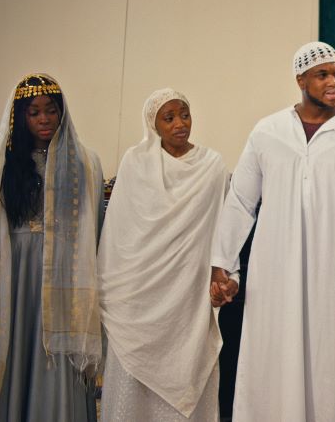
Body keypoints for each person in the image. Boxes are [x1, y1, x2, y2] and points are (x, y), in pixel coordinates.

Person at [209, 41, 335, 421]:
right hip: (276, 276)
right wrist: (222, 263)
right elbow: (240, 202)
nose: (334, 82)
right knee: (272, 365)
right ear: (300, 79)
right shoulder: (268, 132)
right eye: (323, 74)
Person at [0, 73, 103, 421]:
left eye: (51, 110)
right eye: (34, 112)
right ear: (20, 117)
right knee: (14, 351)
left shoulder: (85, 163)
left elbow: (95, 226)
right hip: (12, 275)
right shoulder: (0, 163)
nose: (44, 119)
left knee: (58, 355)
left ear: (62, 113)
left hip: (64, 276)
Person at [98, 89, 228, 421]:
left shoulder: (212, 165)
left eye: (184, 114)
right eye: (168, 118)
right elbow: (120, 233)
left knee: (187, 363)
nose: (180, 124)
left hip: (188, 292)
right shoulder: (135, 162)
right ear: (154, 125)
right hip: (139, 291)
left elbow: (222, 230)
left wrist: (223, 274)